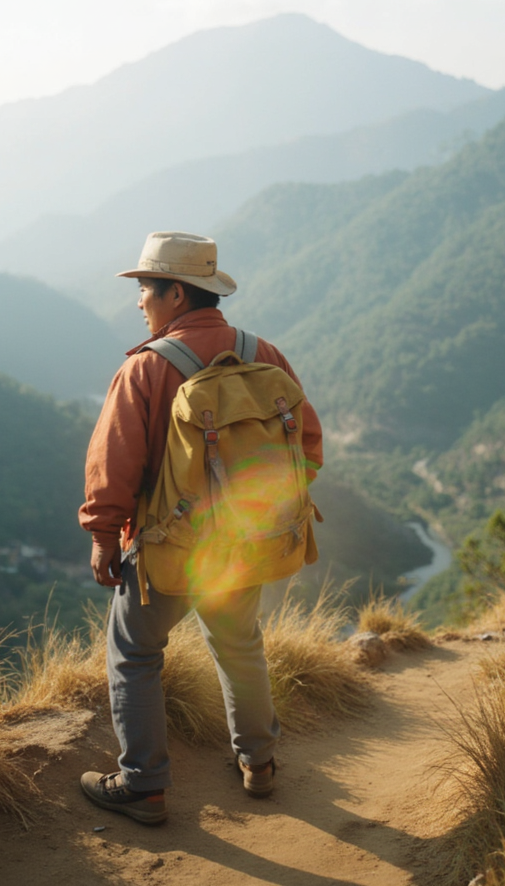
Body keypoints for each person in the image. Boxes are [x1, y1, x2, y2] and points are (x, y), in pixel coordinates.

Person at [78, 230, 323, 824]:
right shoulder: (265, 355)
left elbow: (114, 463)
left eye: (145, 289)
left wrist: (104, 536)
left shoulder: (145, 369)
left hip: (172, 549)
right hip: (247, 545)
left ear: (177, 295)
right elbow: (308, 449)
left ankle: (143, 786)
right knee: (240, 646)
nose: (139, 301)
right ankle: (259, 764)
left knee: (135, 653)